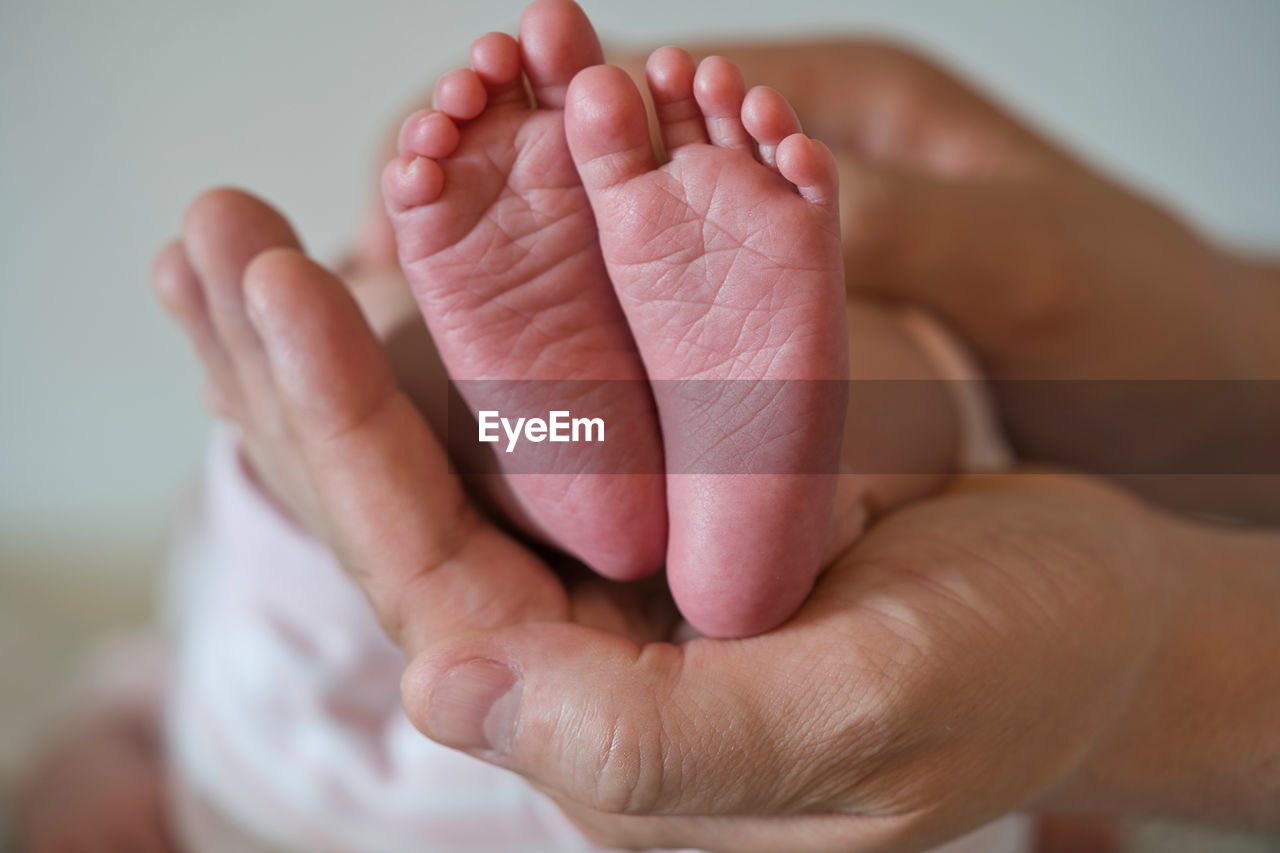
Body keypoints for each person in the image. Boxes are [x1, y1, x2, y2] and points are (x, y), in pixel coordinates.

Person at [12, 2, 1024, 851]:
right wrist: (1060, 794)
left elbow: (118, 707)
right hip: (796, 763)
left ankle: (554, 432)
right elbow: (1056, 770)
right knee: (911, 386)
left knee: (332, 381)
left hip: (314, 795)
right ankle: (744, 480)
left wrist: (72, 787)